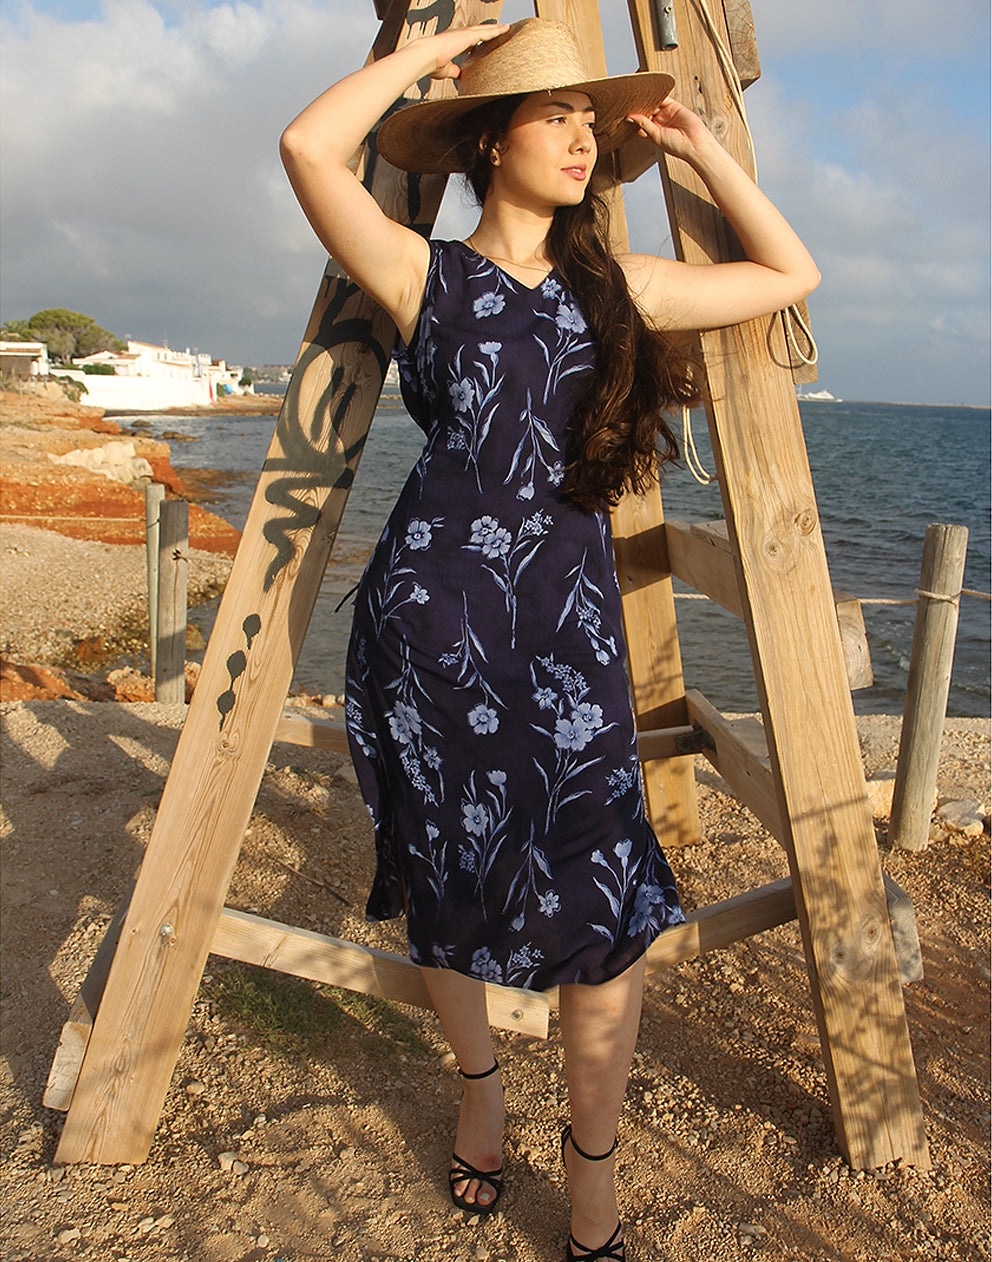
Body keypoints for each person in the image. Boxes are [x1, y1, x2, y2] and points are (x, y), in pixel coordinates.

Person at [280, 18, 819, 1261]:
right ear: (487, 137)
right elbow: (311, 144)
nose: (581, 137)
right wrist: (431, 58)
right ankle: (479, 1089)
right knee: (449, 872)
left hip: (569, 642)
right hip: (431, 627)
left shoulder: (610, 287)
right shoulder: (427, 276)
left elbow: (785, 274)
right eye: (552, 114)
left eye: (592, 118)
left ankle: (590, 1165)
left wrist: (697, 151)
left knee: (601, 906)